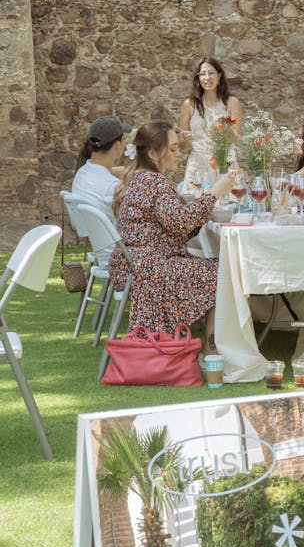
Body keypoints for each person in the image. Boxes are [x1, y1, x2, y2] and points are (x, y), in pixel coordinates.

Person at [109, 120, 234, 357]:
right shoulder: (154, 182)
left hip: (133, 264)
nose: (179, 154)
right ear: (154, 153)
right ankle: (212, 351)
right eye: (174, 149)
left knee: (215, 267)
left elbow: (175, 226)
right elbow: (181, 222)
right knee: (222, 273)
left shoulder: (138, 177)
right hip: (149, 268)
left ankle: (210, 348)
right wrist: (215, 192)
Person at [179, 57, 243, 194]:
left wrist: (226, 131)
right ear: (198, 79)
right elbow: (182, 145)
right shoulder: (189, 105)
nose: (207, 77)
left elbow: (237, 141)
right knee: (197, 208)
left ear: (219, 76)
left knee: (229, 207)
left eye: (211, 73)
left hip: (225, 164)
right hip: (198, 165)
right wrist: (185, 139)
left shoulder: (232, 103)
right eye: (202, 74)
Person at [72, 115, 132, 220]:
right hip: (117, 235)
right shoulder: (113, 187)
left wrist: (127, 171)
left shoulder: (81, 172)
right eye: (124, 139)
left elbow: (101, 174)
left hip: (94, 234)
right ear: (117, 145)